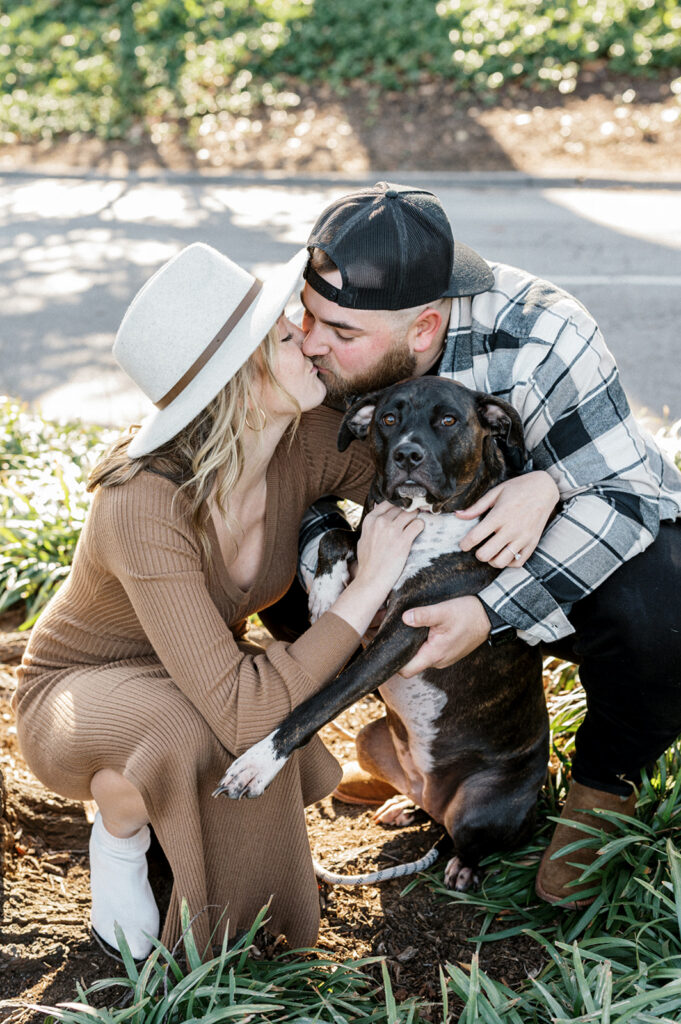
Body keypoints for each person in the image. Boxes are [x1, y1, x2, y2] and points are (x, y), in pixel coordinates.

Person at [263, 181, 681, 908]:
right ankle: (411, 734)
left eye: (342, 333)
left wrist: (542, 496)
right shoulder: (316, 346)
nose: (313, 342)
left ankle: (597, 795)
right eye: (308, 315)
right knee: (273, 547)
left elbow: (624, 498)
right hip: (403, 556)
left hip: (548, 540)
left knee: (661, 607)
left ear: (423, 331)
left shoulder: (542, 334)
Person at [13, 242, 427, 960]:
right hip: (79, 692)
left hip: (198, 672)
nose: (307, 339)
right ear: (235, 375)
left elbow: (423, 476)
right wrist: (360, 596)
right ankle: (120, 830)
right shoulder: (141, 499)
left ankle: (243, 914)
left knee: (219, 715)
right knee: (205, 724)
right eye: (282, 334)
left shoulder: (304, 440)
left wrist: (529, 491)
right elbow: (242, 708)